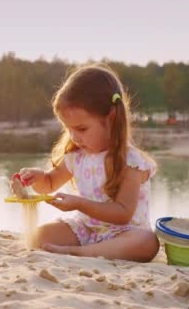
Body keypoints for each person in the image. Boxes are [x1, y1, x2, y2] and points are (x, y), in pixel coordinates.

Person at [12, 64, 159, 261]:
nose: (74, 137)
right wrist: (34, 178)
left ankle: (81, 253)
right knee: (38, 237)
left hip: (123, 234)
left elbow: (123, 213)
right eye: (69, 129)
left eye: (81, 129)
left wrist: (79, 204)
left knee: (147, 242)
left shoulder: (130, 163)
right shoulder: (77, 157)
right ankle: (90, 249)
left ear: (111, 119)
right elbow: (49, 183)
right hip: (86, 229)